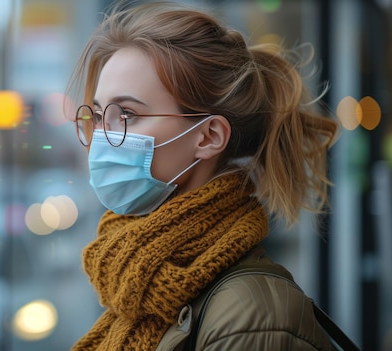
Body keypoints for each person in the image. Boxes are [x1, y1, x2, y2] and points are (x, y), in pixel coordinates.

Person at [66, 1, 341, 350]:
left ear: (208, 136)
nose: (101, 137)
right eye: (98, 113)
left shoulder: (252, 315)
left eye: (127, 114)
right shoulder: (137, 286)